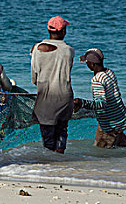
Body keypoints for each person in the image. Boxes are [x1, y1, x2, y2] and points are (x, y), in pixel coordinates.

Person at [30, 16, 74, 153]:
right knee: (62, 133)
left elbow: (34, 79)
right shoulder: (69, 51)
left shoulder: (36, 49)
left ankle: (50, 167)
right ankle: (60, 164)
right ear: (63, 31)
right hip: (64, 98)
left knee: (48, 138)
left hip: (45, 98)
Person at [74, 48, 126, 148]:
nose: (86, 65)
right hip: (120, 117)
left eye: (87, 62)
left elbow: (101, 104)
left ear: (92, 64)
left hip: (110, 124)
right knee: (123, 146)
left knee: (102, 153)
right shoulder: (109, 72)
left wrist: (81, 103)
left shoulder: (97, 80)